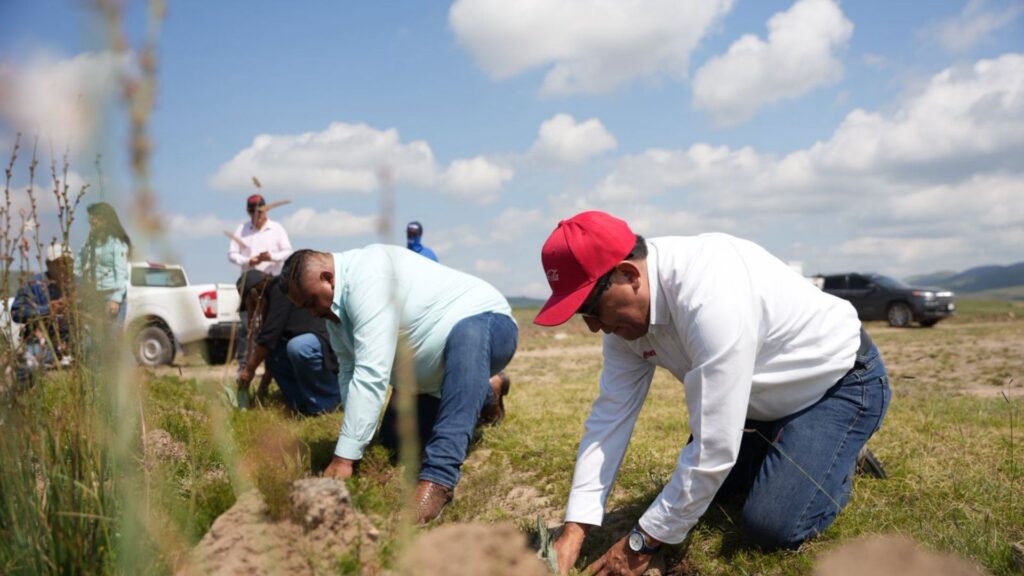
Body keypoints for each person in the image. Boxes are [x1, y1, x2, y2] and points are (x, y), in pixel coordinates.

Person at [534, 211, 890, 576]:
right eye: (581, 314)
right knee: (707, 494)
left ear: (629, 274)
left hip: (836, 384)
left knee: (771, 526)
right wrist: (574, 530)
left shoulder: (710, 296)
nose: (594, 327)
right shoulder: (622, 324)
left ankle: (841, 449)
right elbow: (610, 417)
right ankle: (787, 444)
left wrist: (642, 542)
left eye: (590, 308)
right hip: (754, 404)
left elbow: (714, 448)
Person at [279, 245, 517, 523]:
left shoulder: (368, 278)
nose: (311, 313)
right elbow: (349, 371)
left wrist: (344, 459)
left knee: (468, 335)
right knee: (394, 441)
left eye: (310, 302)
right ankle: (487, 392)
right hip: (424, 381)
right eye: (304, 307)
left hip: (489, 325)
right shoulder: (334, 315)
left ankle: (438, 479)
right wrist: (353, 442)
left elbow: (371, 373)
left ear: (327, 278)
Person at [235, 269, 341, 415]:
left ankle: (330, 402)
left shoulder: (281, 287)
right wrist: (263, 388)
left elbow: (269, 336)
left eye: (251, 303)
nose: (253, 308)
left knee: (297, 347)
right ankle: (302, 405)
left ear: (254, 293)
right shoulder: (273, 295)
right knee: (275, 356)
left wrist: (249, 370)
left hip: (324, 341)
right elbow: (271, 344)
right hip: (310, 342)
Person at [227, 194, 293, 365]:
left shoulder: (277, 228)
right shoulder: (242, 229)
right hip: (249, 283)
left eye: (260, 212)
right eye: (253, 212)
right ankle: (244, 364)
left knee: (272, 323)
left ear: (266, 211)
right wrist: (248, 261)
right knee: (246, 325)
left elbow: (288, 252)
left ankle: (273, 364)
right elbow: (232, 254)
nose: (257, 215)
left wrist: (271, 257)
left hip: (272, 282)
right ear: (249, 212)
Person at [12, 243, 75, 371]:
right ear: (48, 265)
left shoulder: (80, 284)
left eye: (69, 262)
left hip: (73, 340)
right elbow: (17, 312)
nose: (65, 267)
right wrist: (47, 309)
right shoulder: (34, 284)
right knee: (28, 365)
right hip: (41, 342)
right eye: (59, 263)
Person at [76, 202, 130, 322]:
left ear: (106, 221)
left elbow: (121, 274)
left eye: (95, 217)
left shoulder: (117, 243)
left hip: (111, 297)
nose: (92, 221)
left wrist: (116, 300)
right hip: (93, 298)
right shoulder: (89, 243)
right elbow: (79, 264)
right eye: (90, 217)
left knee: (112, 334)